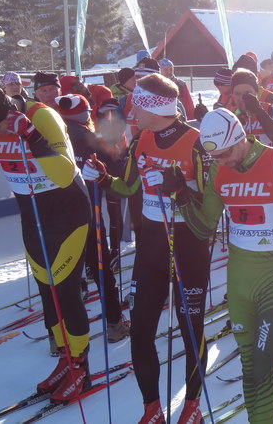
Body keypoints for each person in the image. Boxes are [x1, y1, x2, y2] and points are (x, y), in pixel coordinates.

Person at [170, 108, 273, 423]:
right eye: (214, 157)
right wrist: (181, 196)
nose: (222, 161)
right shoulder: (219, 170)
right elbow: (204, 227)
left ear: (240, 138)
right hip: (239, 280)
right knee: (248, 367)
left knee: (262, 368)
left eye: (225, 153)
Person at [81, 74, 210, 423]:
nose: (132, 112)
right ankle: (152, 409)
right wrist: (104, 178)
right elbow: (128, 187)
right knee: (140, 331)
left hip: (188, 245)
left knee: (191, 330)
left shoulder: (197, 142)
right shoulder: (142, 138)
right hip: (151, 245)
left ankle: (192, 406)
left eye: (137, 105)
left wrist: (180, 189)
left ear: (155, 107)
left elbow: (212, 206)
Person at [0, 87, 92, 403]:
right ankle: (65, 359)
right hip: (33, 216)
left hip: (68, 213)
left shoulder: (41, 117)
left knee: (66, 291)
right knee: (47, 290)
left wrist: (31, 136)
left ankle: (81, 368)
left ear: (11, 112)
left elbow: (64, 174)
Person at [53, 93, 130, 342]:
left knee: (62, 272)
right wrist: (122, 152)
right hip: (87, 213)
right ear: (84, 115)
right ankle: (115, 324)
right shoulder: (92, 138)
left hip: (55, 215)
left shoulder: (49, 136)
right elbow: (118, 171)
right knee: (101, 270)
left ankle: (59, 335)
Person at [230, 69, 273, 148]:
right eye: (238, 94)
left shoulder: (270, 109)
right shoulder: (230, 116)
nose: (242, 98)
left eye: (247, 93)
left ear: (256, 92)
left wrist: (258, 111)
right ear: (232, 95)